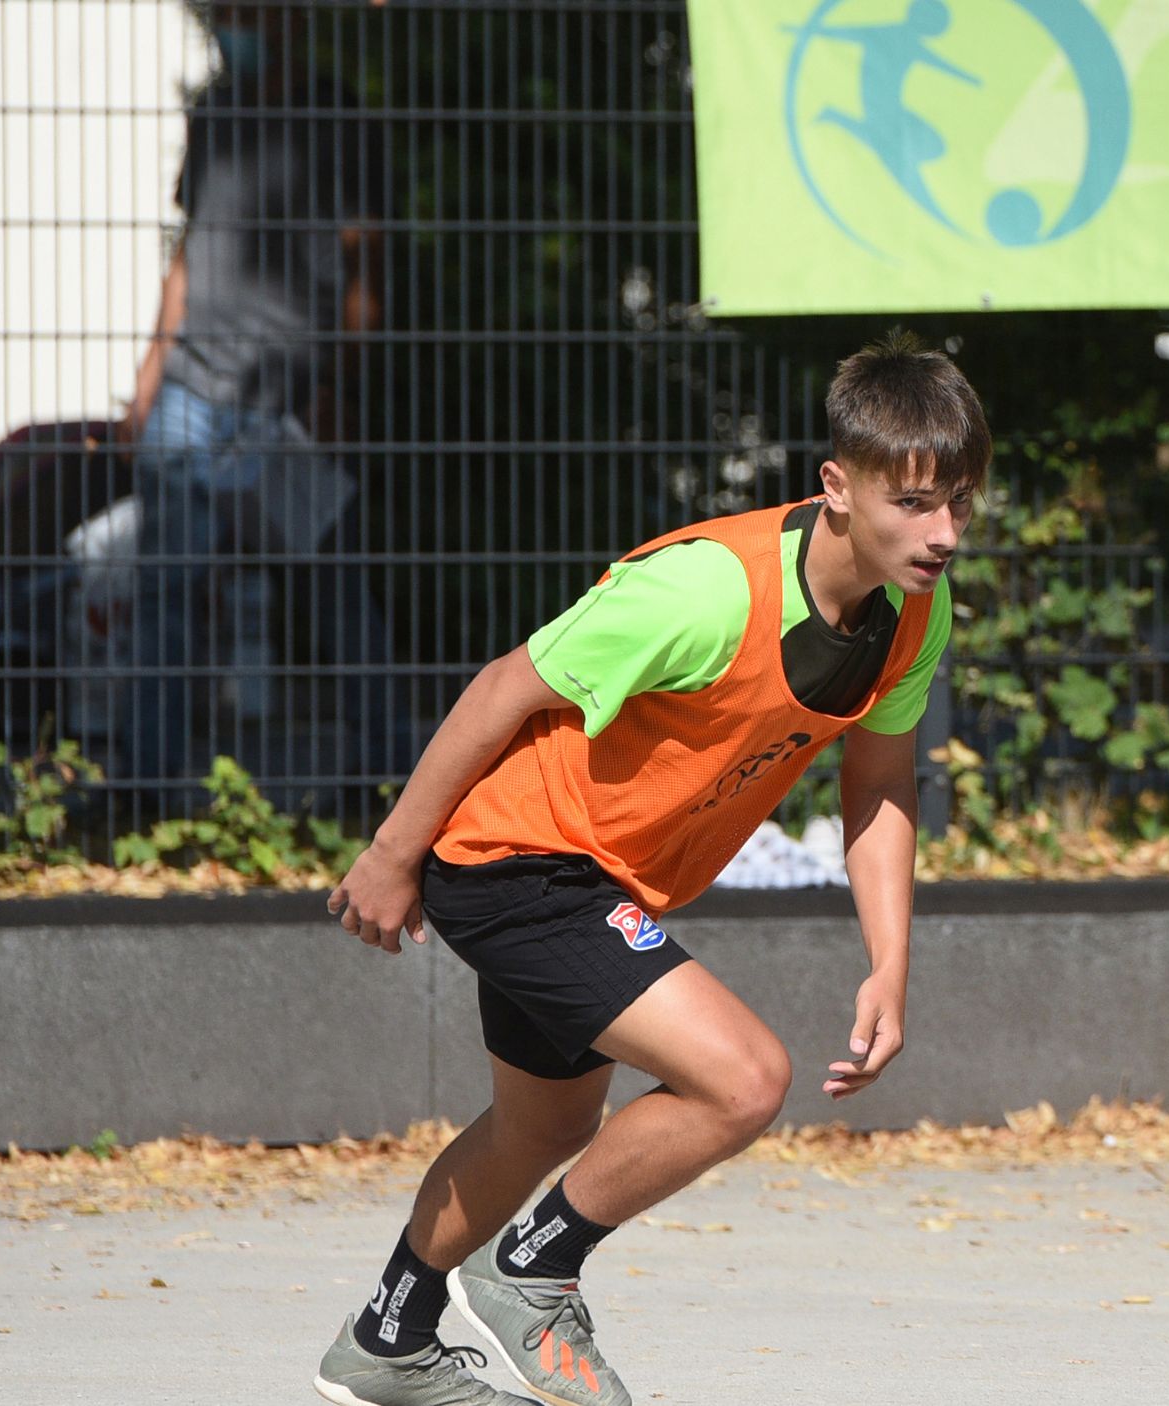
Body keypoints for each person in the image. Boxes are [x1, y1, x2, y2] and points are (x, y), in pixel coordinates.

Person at [311, 332, 982, 1406]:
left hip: (591, 877)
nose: (943, 533)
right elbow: (502, 688)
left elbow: (880, 784)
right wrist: (392, 854)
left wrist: (889, 965)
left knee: (544, 1127)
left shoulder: (913, 610)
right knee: (744, 1076)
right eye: (915, 503)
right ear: (837, 486)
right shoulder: (705, 593)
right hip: (519, 861)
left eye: (959, 502)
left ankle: (387, 1336)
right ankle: (530, 1269)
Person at [119, 0, 396, 812]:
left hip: (289, 397)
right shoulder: (217, 110)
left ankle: (383, 776)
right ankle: (145, 785)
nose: (232, 20)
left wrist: (341, 386)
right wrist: (150, 372)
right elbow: (188, 251)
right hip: (193, 388)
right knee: (164, 586)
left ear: (290, 18)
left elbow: (362, 265)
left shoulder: (338, 114)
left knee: (336, 584)